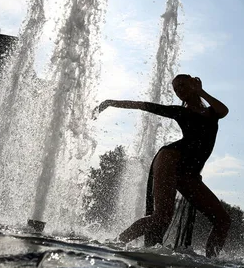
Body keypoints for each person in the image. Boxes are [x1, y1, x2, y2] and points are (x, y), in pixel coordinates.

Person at [96, 74, 231, 257]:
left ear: (193, 84)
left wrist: (201, 92)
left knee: (222, 220)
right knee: (162, 216)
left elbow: (224, 111)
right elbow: (145, 106)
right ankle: (116, 244)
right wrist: (112, 102)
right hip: (170, 159)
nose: (179, 90)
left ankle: (211, 262)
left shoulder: (212, 113)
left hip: (189, 172)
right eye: (175, 88)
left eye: (182, 85)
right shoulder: (180, 112)